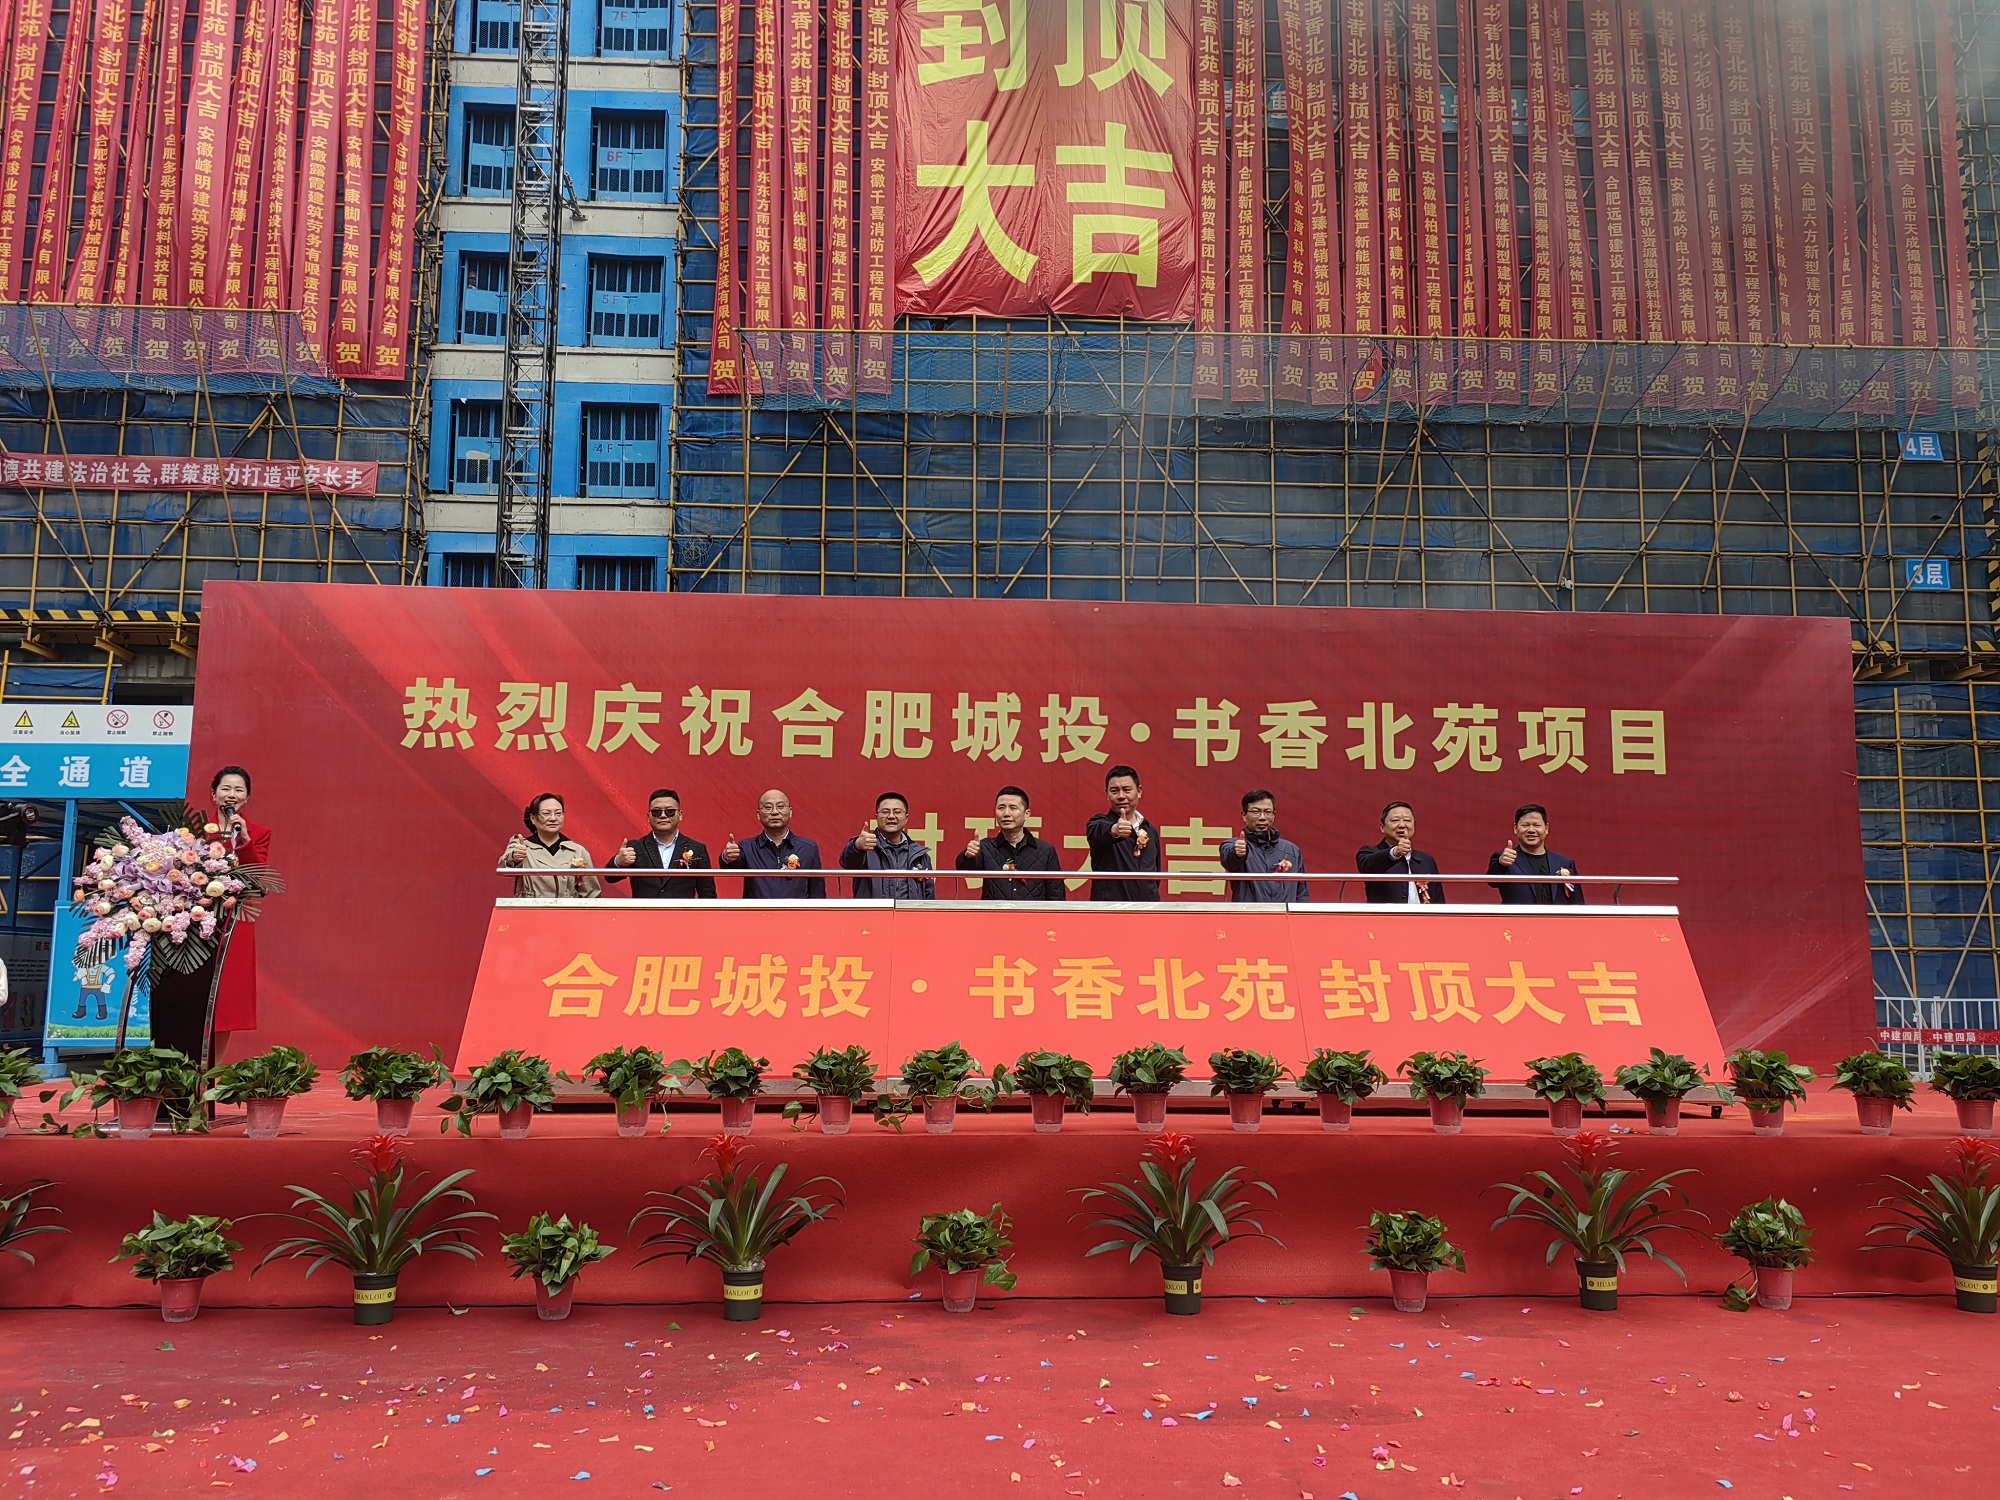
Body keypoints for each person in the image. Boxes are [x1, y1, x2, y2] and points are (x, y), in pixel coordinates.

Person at [149, 766, 273, 1078]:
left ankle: (210, 1075)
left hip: (232, 924)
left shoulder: (258, 833)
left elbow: (258, 879)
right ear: (214, 794)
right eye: (226, 789)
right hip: (191, 923)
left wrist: (243, 840)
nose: (231, 795)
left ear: (247, 798)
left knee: (225, 1004)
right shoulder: (193, 832)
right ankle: (179, 1072)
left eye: (239, 790)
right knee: (189, 997)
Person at [956, 785, 1067, 901]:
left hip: (1032, 912)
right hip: (995, 912)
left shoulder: (1045, 851)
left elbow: (1056, 895)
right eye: (1001, 808)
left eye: (1013, 808)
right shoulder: (986, 847)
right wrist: (968, 856)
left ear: (1027, 814)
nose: (1006, 813)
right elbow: (964, 869)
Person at [606, 788, 716, 899]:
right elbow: (609, 878)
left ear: (680, 815)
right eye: (656, 812)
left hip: (681, 910)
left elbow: (708, 894)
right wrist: (618, 862)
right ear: (648, 816)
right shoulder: (635, 848)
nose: (663, 816)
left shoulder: (697, 849)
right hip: (645, 910)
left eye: (670, 811)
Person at [719, 788, 826, 898]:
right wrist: (727, 857)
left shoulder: (808, 848)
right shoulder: (747, 848)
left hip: (796, 909)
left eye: (780, 806)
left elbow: (818, 892)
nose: (775, 812)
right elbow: (729, 867)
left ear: (790, 812)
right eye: (768, 808)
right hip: (758, 909)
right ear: (758, 814)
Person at [501, 792, 602, 899]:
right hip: (530, 907)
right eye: (546, 813)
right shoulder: (522, 846)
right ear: (533, 818)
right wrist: (514, 857)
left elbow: (591, 894)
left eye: (558, 813)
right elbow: (503, 867)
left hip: (567, 908)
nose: (553, 818)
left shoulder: (577, 850)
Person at [1084, 765, 1162, 902]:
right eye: (1114, 791)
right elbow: (1098, 832)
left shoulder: (1150, 830)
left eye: (1127, 790)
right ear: (1107, 794)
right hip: (1110, 910)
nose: (1121, 796)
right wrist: (1114, 830)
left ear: (1139, 791)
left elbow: (1155, 876)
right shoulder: (1098, 823)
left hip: (1148, 909)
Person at [839, 791, 936, 899]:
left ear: (906, 818)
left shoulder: (920, 855)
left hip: (908, 910)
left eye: (897, 812)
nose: (891, 816)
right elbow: (847, 863)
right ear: (876, 817)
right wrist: (856, 847)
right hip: (873, 910)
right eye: (885, 812)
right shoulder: (865, 848)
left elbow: (929, 895)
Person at [1219, 788, 1309, 902]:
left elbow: (1302, 894)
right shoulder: (1234, 845)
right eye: (1256, 812)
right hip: (1249, 912)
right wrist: (1237, 854)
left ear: (1274, 815)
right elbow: (1229, 860)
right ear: (1244, 815)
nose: (1262, 817)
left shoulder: (1291, 850)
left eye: (1267, 812)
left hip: (1284, 913)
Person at [1487, 803, 1584, 905]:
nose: (1531, 830)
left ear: (1546, 828)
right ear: (1515, 828)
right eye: (1525, 825)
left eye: (1537, 825)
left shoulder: (1565, 863)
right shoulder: (1505, 859)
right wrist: (1500, 864)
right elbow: (1492, 882)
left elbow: (1578, 902)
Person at [1356, 800, 1445, 904]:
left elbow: (1439, 901)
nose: (1402, 825)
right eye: (1395, 820)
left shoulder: (1426, 860)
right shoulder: (1368, 853)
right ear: (1382, 827)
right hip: (1387, 914)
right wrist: (1395, 853)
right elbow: (1368, 866)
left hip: (1421, 914)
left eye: (1407, 820)